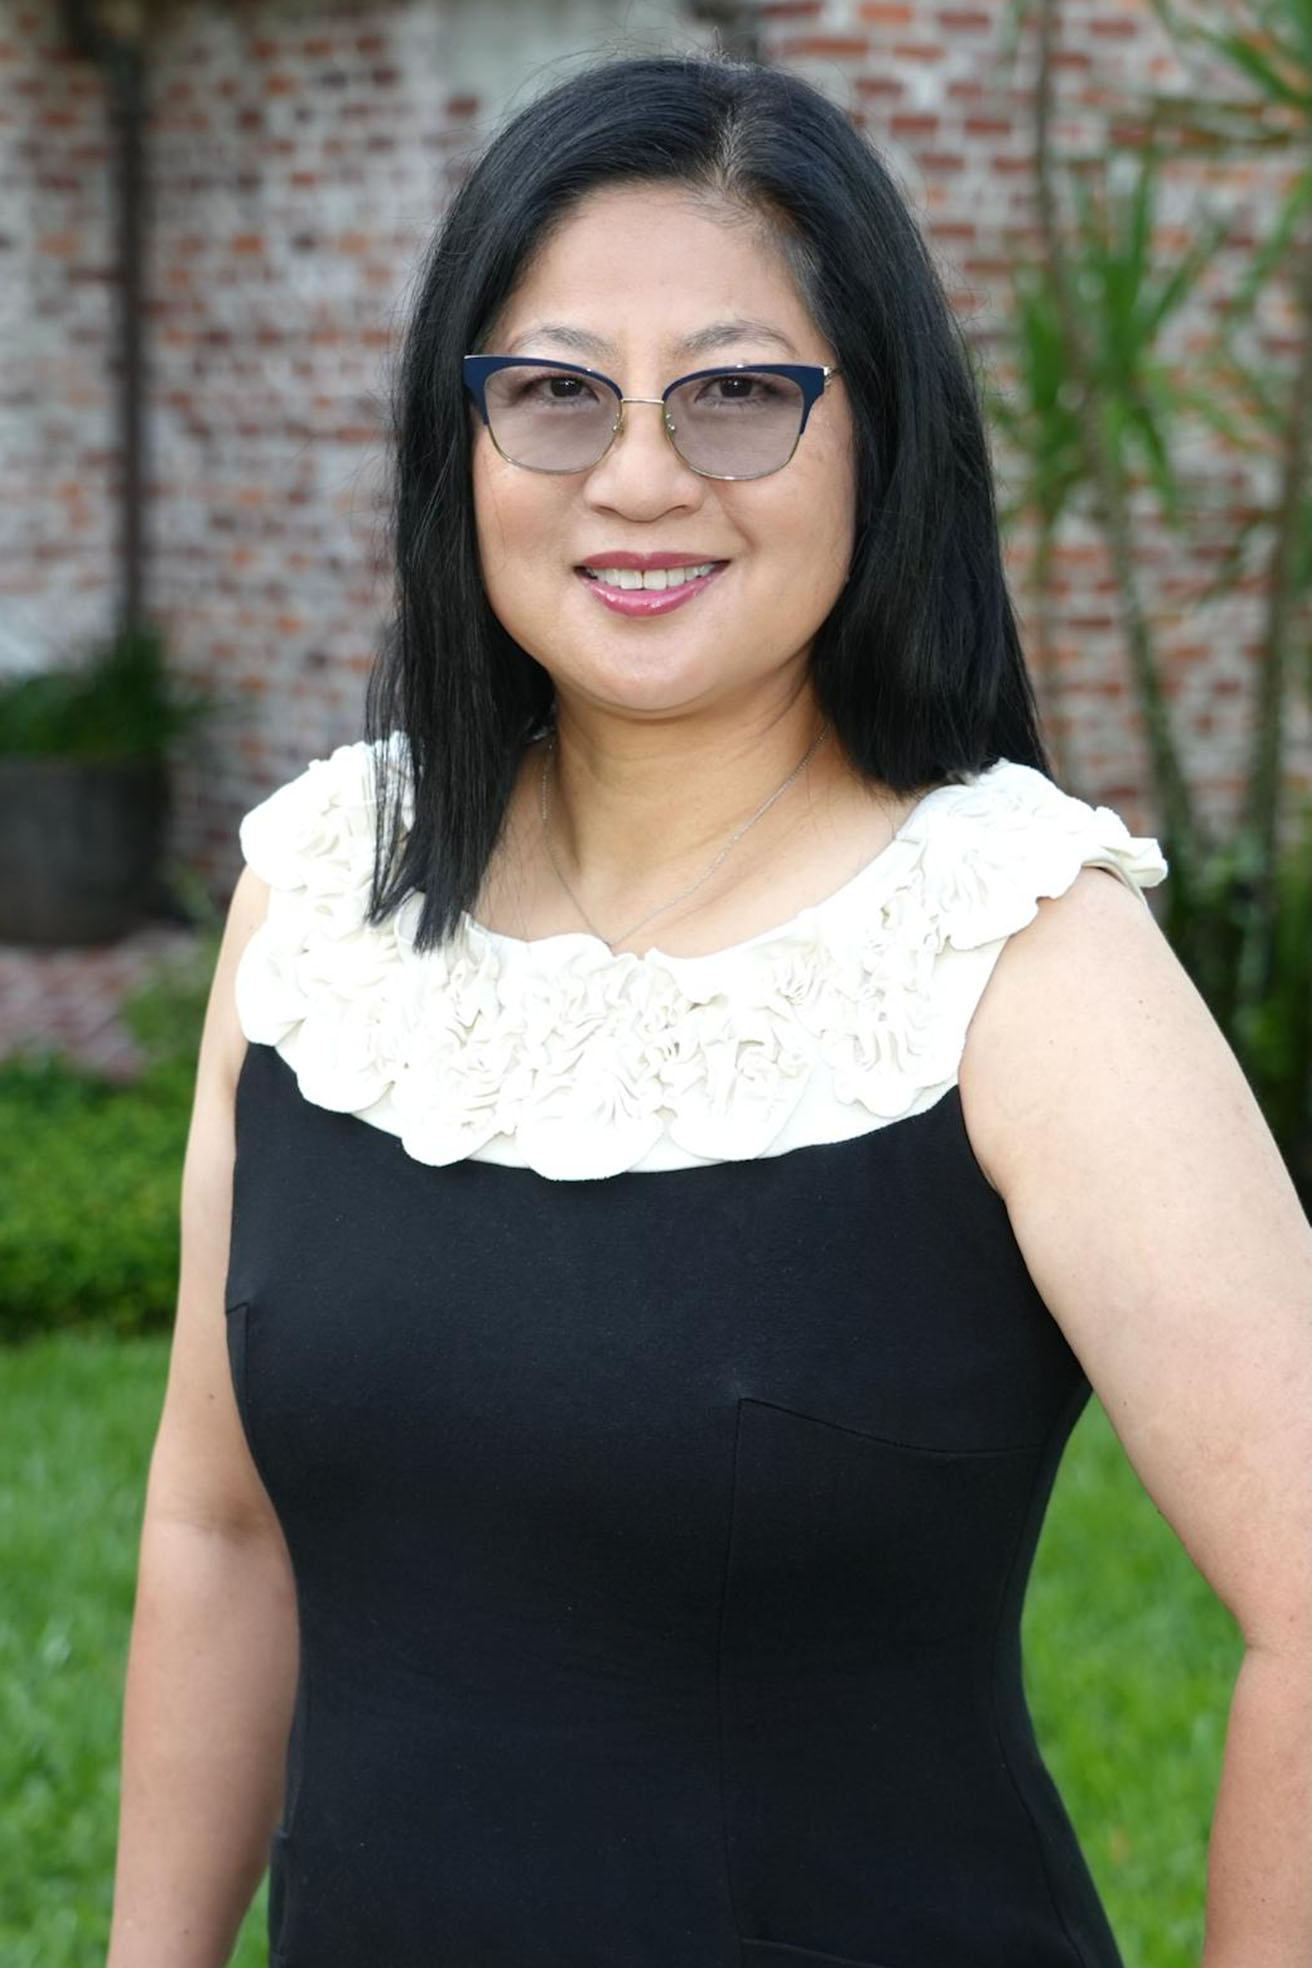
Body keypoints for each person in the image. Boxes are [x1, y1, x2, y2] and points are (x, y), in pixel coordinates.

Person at [106, 49, 1312, 1968]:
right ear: (463, 438)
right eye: (558, 392)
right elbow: (218, 1528)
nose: (642, 473)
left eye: (740, 393)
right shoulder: (322, 893)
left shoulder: (1016, 940)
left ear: (881, 434)